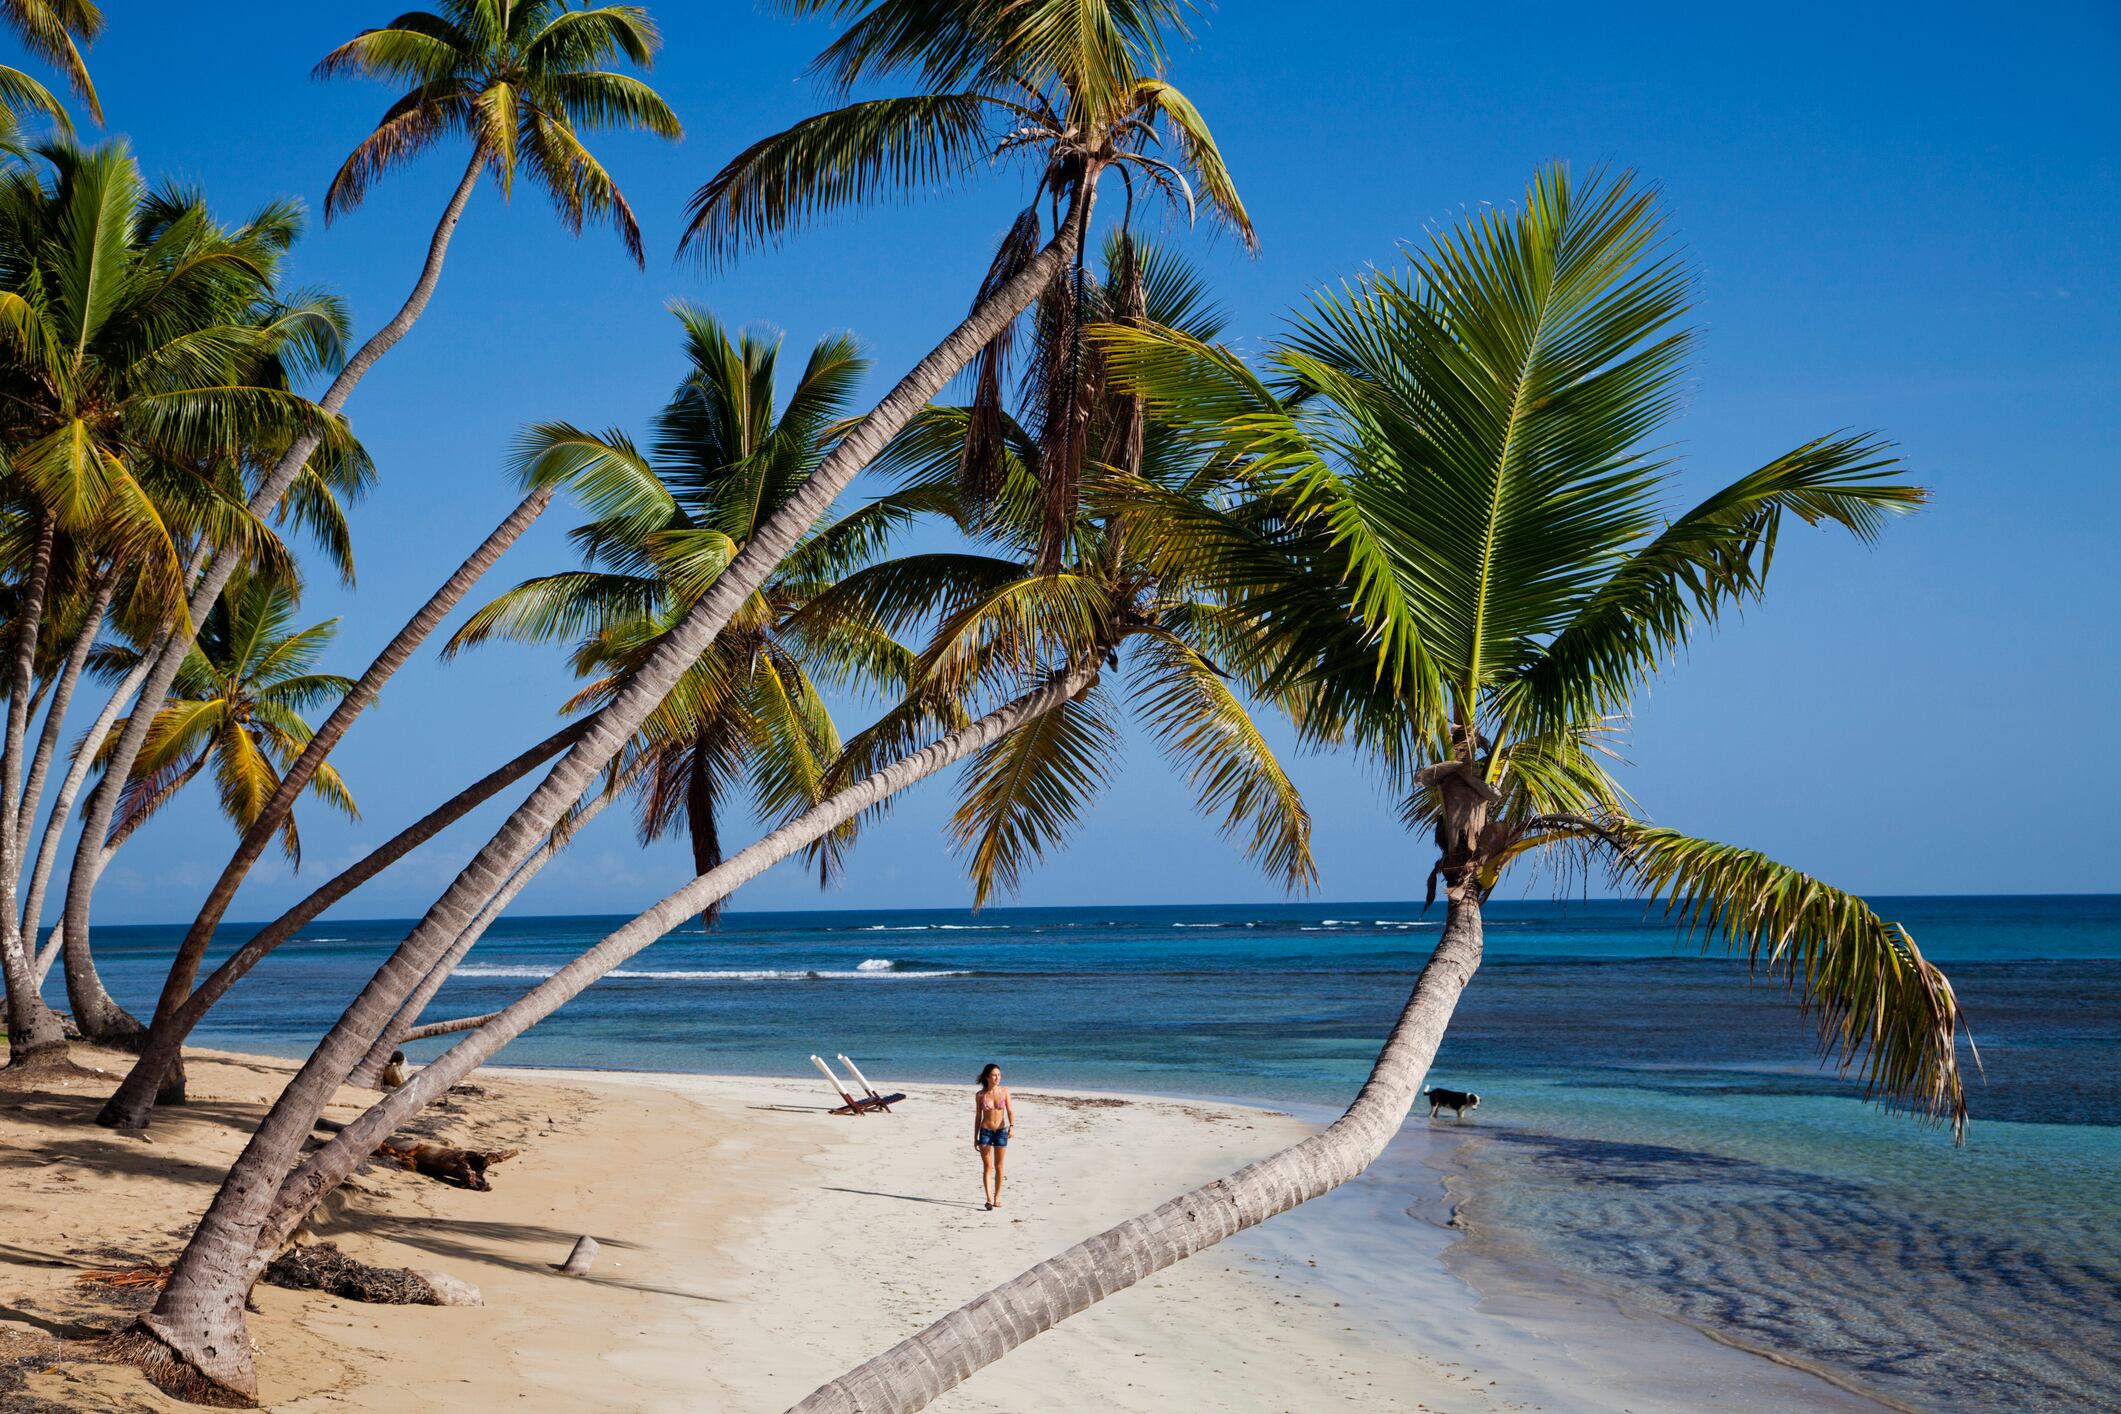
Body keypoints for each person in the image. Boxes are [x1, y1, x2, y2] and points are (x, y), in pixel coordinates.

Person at [972, 1062, 1014, 1210]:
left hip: (1001, 1132)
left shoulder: (1005, 1091)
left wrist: (1012, 1126)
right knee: (987, 1166)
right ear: (987, 1077)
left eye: (999, 1075)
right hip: (985, 1132)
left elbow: (1010, 1111)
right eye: (994, 1075)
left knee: (999, 1166)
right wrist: (975, 1137)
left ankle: (997, 1197)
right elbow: (978, 1116)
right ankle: (989, 1199)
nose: (997, 1078)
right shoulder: (980, 1095)